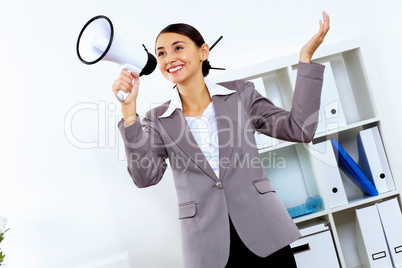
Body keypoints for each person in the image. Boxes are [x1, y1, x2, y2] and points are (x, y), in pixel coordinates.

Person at [113, 11, 330, 268]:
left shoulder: (240, 94)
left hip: (264, 230)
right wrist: (129, 115)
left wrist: (305, 61)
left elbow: (299, 129)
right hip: (207, 245)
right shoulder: (157, 119)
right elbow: (145, 177)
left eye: (178, 48)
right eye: (161, 53)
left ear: (203, 51)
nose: (169, 58)